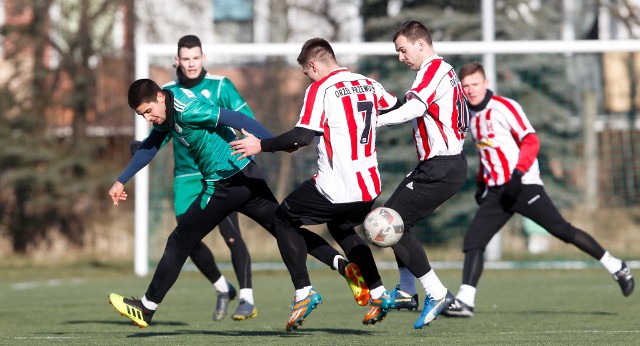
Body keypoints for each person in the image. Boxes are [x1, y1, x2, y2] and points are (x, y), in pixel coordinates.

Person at [107, 78, 365, 329]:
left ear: (161, 97)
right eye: (143, 115)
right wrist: (121, 180)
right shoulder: (169, 109)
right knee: (283, 227)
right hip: (247, 176)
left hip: (224, 184)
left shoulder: (189, 110)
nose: (148, 119)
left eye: (149, 111)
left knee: (179, 241)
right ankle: (343, 265)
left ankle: (146, 307)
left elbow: (237, 119)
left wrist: (273, 144)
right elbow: (151, 145)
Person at [230, 37, 399, 331]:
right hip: (369, 185)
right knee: (342, 227)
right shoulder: (368, 83)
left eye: (307, 73)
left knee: (282, 219)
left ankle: (303, 292)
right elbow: (395, 108)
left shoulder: (321, 88)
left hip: (337, 185)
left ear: (313, 64)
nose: (308, 78)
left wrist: (262, 145)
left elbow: (302, 137)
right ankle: (379, 293)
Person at [441, 61, 635, 318]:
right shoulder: (470, 115)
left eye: (475, 84)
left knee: (562, 230)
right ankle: (466, 300)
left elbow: (530, 140)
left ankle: (616, 265)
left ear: (486, 83)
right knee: (474, 240)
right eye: (465, 86)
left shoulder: (504, 107)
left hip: (523, 185)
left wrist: (518, 174)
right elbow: (486, 153)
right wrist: (480, 183)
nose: (470, 90)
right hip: (497, 192)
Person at [130, 34, 258, 321]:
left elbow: (243, 117)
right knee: (185, 236)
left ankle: (247, 297)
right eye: (185, 58)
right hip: (186, 175)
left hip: (219, 171)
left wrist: (261, 145)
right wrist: (143, 149)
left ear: (203, 58)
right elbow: (161, 135)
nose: (190, 63)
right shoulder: (165, 92)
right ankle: (222, 287)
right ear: (177, 60)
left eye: (195, 58)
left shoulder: (220, 85)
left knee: (231, 236)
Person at [374, 20, 469, 329]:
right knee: (392, 221)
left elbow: (412, 109)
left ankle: (436, 292)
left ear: (420, 44)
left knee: (389, 225)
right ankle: (405, 290)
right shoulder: (444, 71)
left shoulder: (432, 70)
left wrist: (372, 123)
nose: (401, 57)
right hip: (439, 165)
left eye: (403, 50)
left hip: (441, 165)